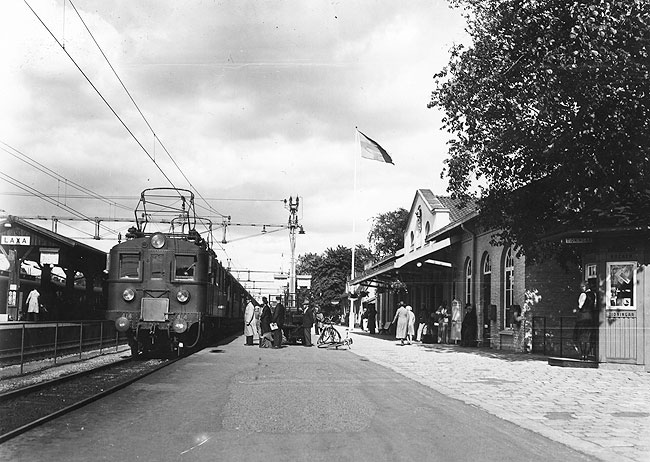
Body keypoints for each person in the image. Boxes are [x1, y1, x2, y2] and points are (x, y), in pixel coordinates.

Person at [573, 281, 596, 360]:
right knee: (588, 336)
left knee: (581, 335)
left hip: (583, 316)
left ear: (585, 286)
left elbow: (580, 305)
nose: (581, 288)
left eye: (582, 286)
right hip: (590, 316)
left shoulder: (583, 295)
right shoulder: (593, 295)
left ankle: (582, 354)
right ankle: (587, 354)